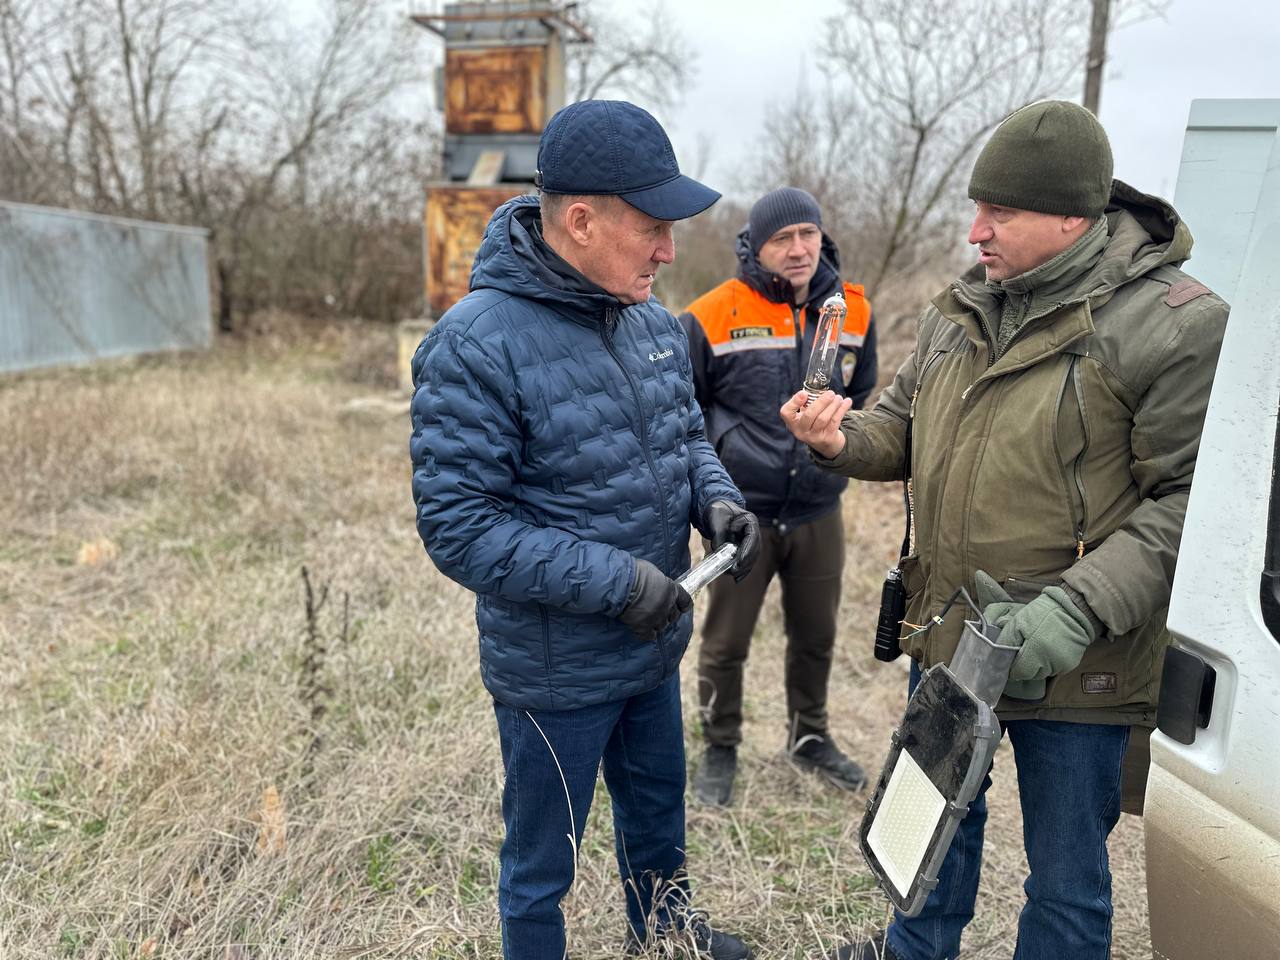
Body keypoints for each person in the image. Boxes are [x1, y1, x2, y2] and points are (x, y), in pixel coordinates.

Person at [783, 101, 1228, 960]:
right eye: (976, 208)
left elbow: (1184, 504)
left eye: (1002, 214)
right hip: (950, 640)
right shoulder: (962, 308)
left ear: (1075, 217)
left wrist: (1073, 610)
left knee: (1064, 884)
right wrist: (839, 439)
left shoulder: (1173, 324)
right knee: (925, 846)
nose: (977, 232)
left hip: (1080, 662)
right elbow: (902, 429)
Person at [410, 99, 762, 960]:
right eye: (653, 227)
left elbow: (684, 440)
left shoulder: (649, 322)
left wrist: (714, 501)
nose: (669, 251)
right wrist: (617, 585)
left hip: (652, 642)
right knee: (542, 863)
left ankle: (666, 931)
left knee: (658, 821)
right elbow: (460, 527)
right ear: (580, 218)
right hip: (555, 669)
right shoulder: (474, 345)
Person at [678, 188, 878, 806]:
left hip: (819, 506)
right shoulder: (710, 314)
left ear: (823, 238)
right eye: (781, 239)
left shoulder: (852, 312)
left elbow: (862, 395)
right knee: (726, 642)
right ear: (755, 247)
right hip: (745, 513)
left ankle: (809, 737)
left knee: (815, 635)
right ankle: (720, 746)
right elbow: (685, 410)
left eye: (808, 235)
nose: (798, 250)